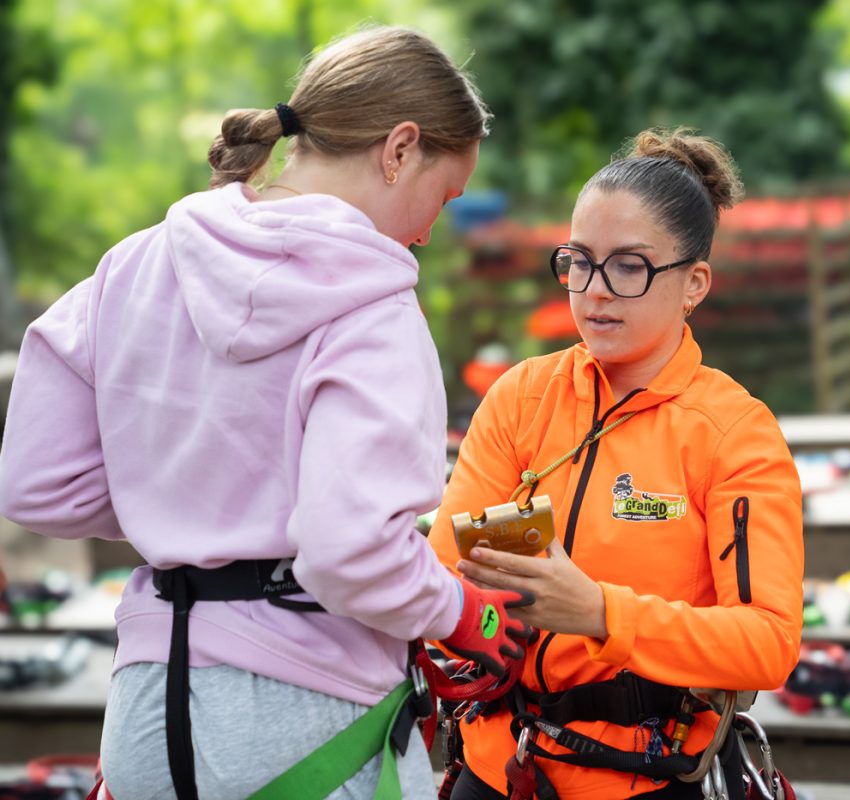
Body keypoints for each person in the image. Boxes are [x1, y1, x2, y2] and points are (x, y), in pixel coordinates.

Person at [0, 25, 534, 800]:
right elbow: (352, 553)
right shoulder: (373, 308)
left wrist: (192, 504)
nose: (428, 229)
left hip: (149, 715)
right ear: (399, 148)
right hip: (310, 721)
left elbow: (33, 483)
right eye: (443, 195)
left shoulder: (137, 264)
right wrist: (463, 611)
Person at [427, 128, 805, 800]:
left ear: (693, 284)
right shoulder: (521, 396)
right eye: (578, 260)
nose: (593, 291)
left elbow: (767, 641)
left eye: (628, 266)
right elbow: (445, 562)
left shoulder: (734, 433)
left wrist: (602, 613)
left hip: (648, 776)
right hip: (498, 765)